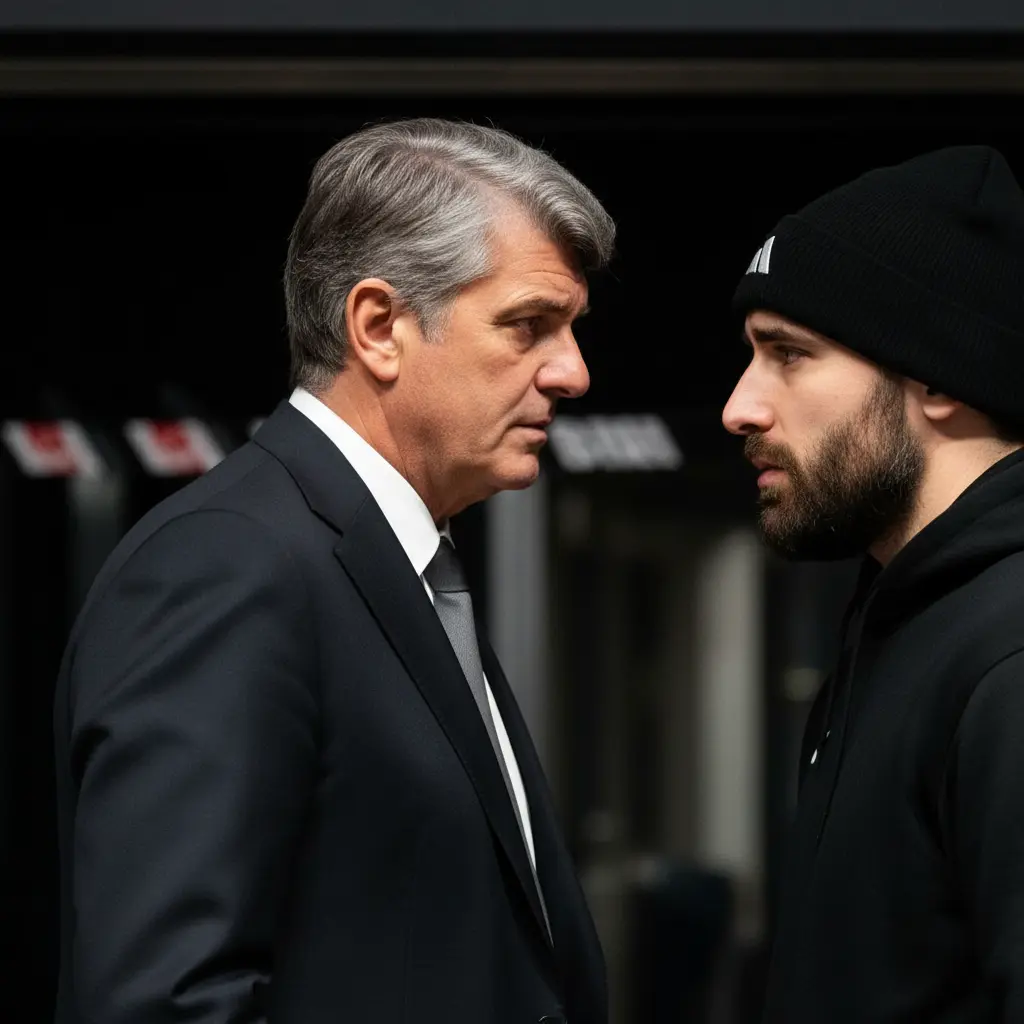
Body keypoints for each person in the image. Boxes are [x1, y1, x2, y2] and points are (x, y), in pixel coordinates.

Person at [53, 118, 615, 1024]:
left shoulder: (386, 563)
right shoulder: (229, 566)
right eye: (529, 325)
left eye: (572, 329)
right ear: (379, 328)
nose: (573, 373)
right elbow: (165, 1000)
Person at [723, 144, 1024, 1023]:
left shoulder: (1008, 656)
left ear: (937, 376)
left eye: (789, 353)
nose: (740, 406)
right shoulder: (899, 620)